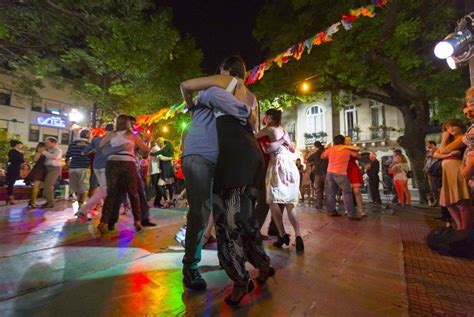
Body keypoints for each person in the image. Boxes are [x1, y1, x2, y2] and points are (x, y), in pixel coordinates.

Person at [180, 55, 272, 305]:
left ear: (227, 71)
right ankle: (262, 264)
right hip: (252, 153)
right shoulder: (253, 97)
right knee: (245, 217)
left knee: (227, 221)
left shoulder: (219, 86)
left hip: (232, 155)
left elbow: (187, 85)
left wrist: (190, 104)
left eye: (219, 70)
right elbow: (253, 124)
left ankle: (240, 279)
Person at [256, 108, 304, 251]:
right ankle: (299, 235)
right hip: (290, 166)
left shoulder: (268, 129)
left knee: (272, 200)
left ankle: (282, 234)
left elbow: (264, 145)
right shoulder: (284, 130)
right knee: (290, 204)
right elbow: (292, 150)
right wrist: (284, 140)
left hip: (277, 165)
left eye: (265, 117)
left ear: (269, 118)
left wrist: (278, 141)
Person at [98, 114, 150, 234]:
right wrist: (141, 151)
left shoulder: (112, 134)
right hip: (128, 164)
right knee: (133, 193)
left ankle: (103, 222)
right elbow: (145, 149)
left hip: (112, 163)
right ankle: (137, 221)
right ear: (127, 123)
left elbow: (101, 145)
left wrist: (113, 148)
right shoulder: (131, 135)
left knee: (111, 194)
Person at [434, 119, 471, 230]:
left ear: (460, 126)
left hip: (457, 170)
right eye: (448, 128)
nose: (451, 129)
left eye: (453, 126)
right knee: (449, 202)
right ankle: (459, 227)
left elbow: (443, 150)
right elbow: (436, 154)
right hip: (447, 173)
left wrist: (444, 139)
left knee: (460, 201)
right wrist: (449, 154)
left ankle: (465, 229)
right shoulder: (451, 141)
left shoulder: (464, 138)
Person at [321, 135, 361, 220]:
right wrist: (346, 146)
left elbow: (322, 156)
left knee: (331, 193)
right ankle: (351, 213)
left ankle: (331, 211)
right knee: (347, 192)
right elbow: (357, 153)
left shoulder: (330, 149)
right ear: (343, 141)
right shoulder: (347, 149)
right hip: (341, 174)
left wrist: (327, 148)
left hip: (330, 173)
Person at [65, 129, 91, 209]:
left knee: (76, 188)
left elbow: (67, 156)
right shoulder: (89, 144)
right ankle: (81, 206)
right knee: (84, 188)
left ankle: (79, 203)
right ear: (88, 135)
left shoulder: (72, 144)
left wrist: (68, 164)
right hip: (84, 167)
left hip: (73, 168)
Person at [344, 136, 366, 217]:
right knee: (346, 191)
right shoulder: (342, 149)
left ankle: (361, 210)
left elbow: (359, 156)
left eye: (350, 140)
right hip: (345, 170)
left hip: (353, 170)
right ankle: (347, 209)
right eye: (346, 140)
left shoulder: (352, 148)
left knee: (357, 191)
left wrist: (357, 154)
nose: (348, 141)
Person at [40, 137, 62, 208]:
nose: (46, 144)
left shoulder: (57, 150)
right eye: (46, 143)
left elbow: (54, 157)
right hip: (48, 168)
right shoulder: (48, 150)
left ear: (53, 143)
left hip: (54, 168)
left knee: (49, 185)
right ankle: (48, 201)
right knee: (46, 185)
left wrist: (44, 152)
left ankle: (50, 202)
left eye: (48, 143)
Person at [25, 142, 47, 208]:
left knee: (37, 188)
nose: (45, 149)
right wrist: (40, 153)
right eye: (44, 147)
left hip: (41, 170)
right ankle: (33, 203)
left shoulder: (43, 153)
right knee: (36, 187)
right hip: (38, 170)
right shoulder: (38, 153)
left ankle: (32, 201)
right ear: (40, 147)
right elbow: (35, 160)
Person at [307, 141, 327, 210]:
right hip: (326, 174)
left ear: (315, 147)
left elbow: (307, 160)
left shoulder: (315, 154)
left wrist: (305, 155)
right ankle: (330, 206)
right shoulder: (325, 152)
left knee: (318, 191)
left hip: (318, 174)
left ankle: (319, 205)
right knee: (328, 191)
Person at [5, 140, 24, 205]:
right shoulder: (14, 152)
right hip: (14, 169)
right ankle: (11, 198)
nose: (20, 146)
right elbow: (20, 160)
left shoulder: (12, 152)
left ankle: (8, 197)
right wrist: (21, 154)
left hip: (13, 168)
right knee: (11, 183)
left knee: (11, 183)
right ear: (17, 145)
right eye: (19, 144)